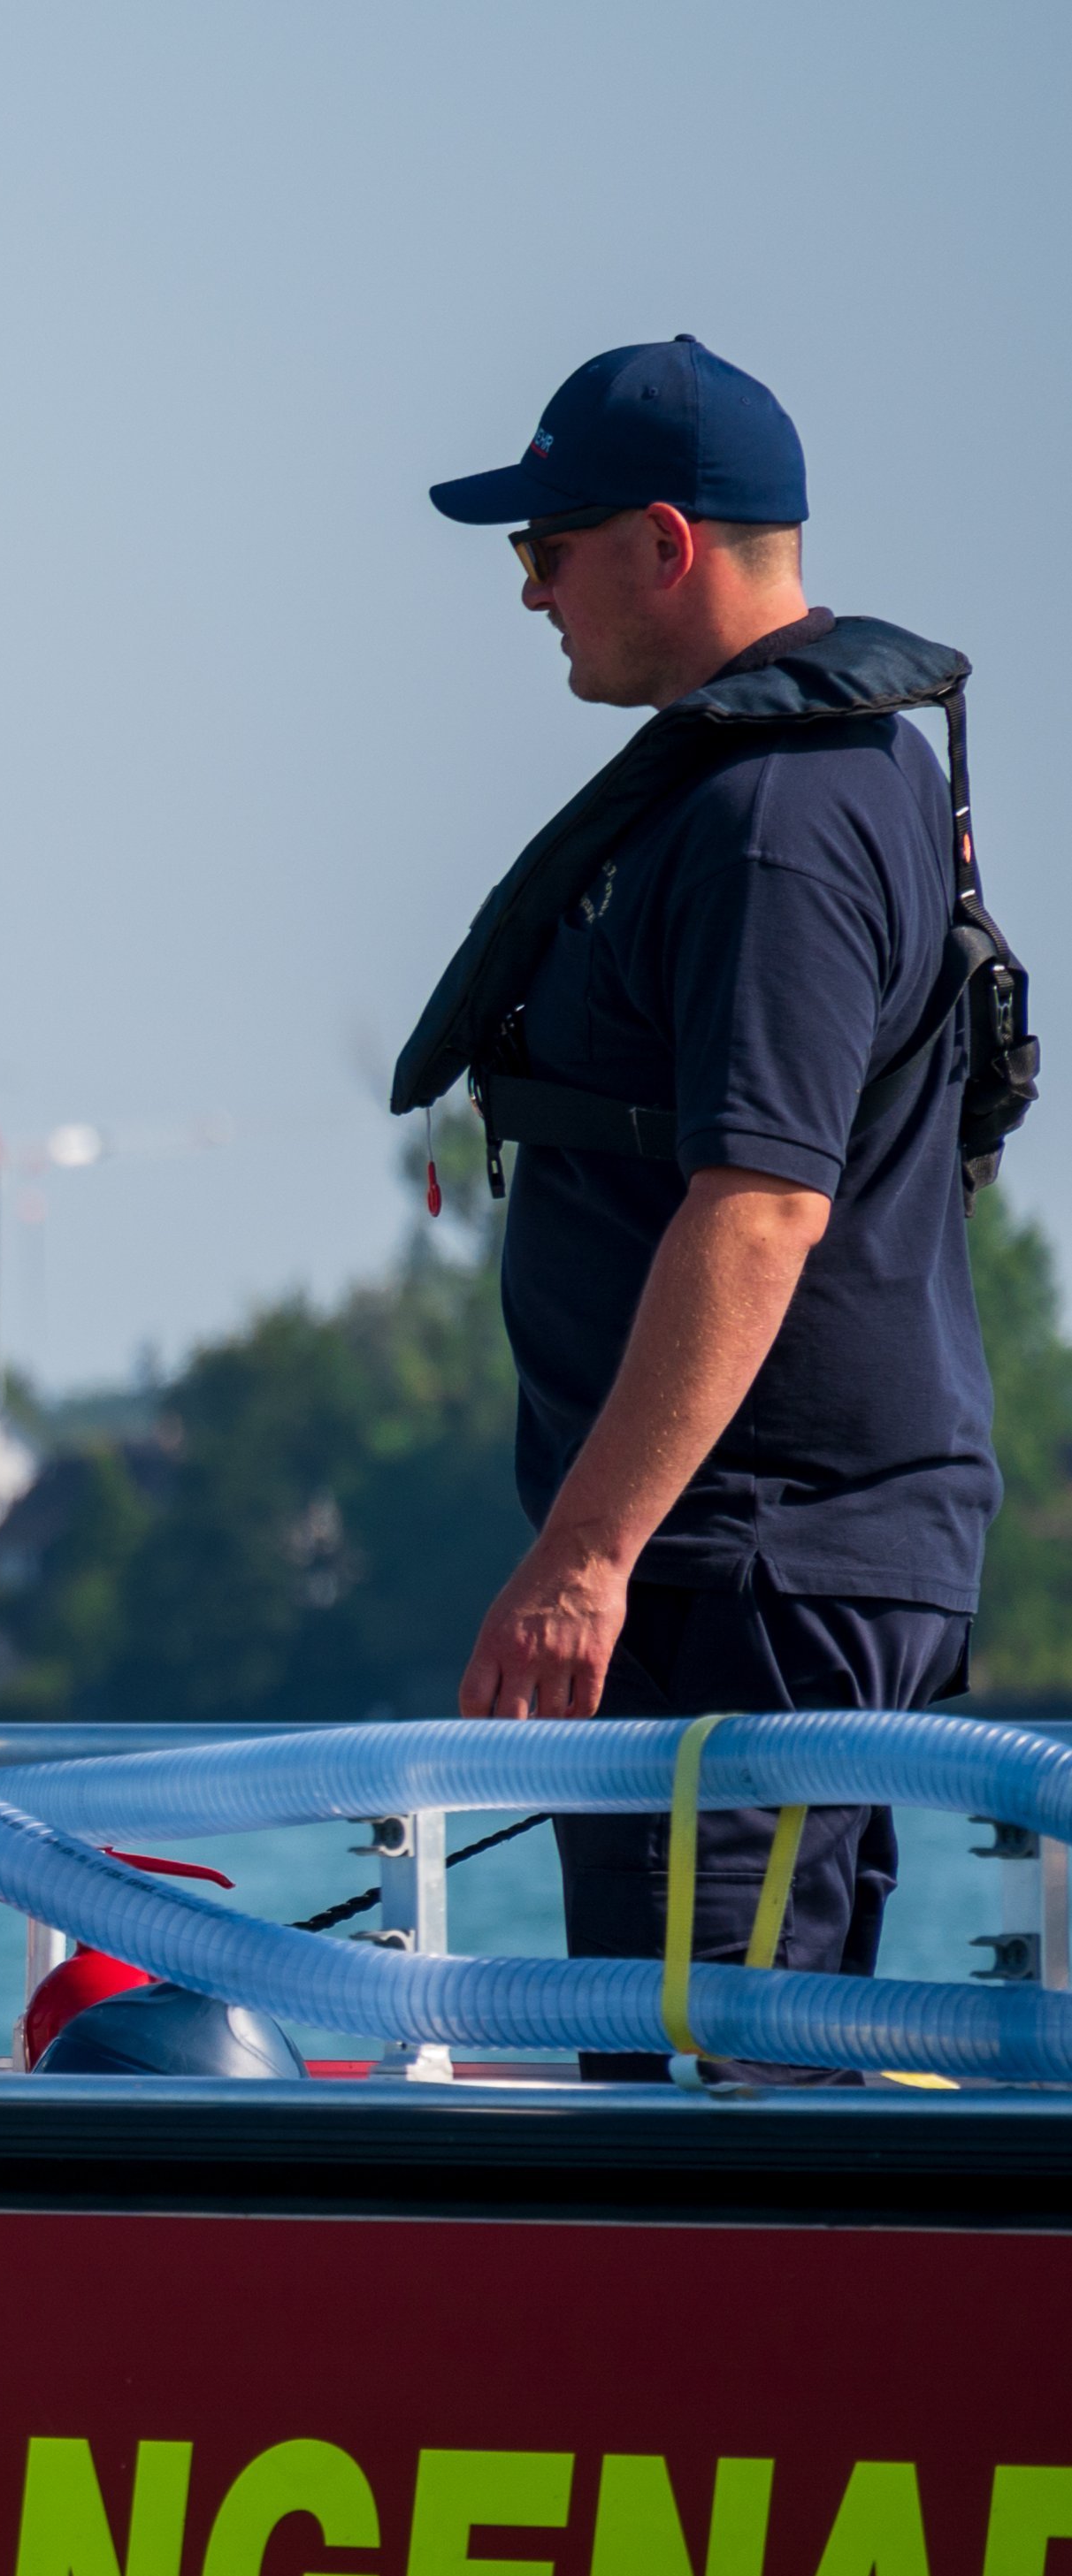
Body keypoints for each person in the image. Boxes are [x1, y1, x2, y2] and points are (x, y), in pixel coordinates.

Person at [398, 338, 997, 2036]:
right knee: (733, 2069)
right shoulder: (807, 784)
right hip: (754, 1570)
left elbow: (760, 1205)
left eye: (545, 548)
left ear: (664, 544)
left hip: (753, 1571)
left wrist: (587, 1556)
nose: (527, 595)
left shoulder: (776, 821)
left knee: (709, 2081)